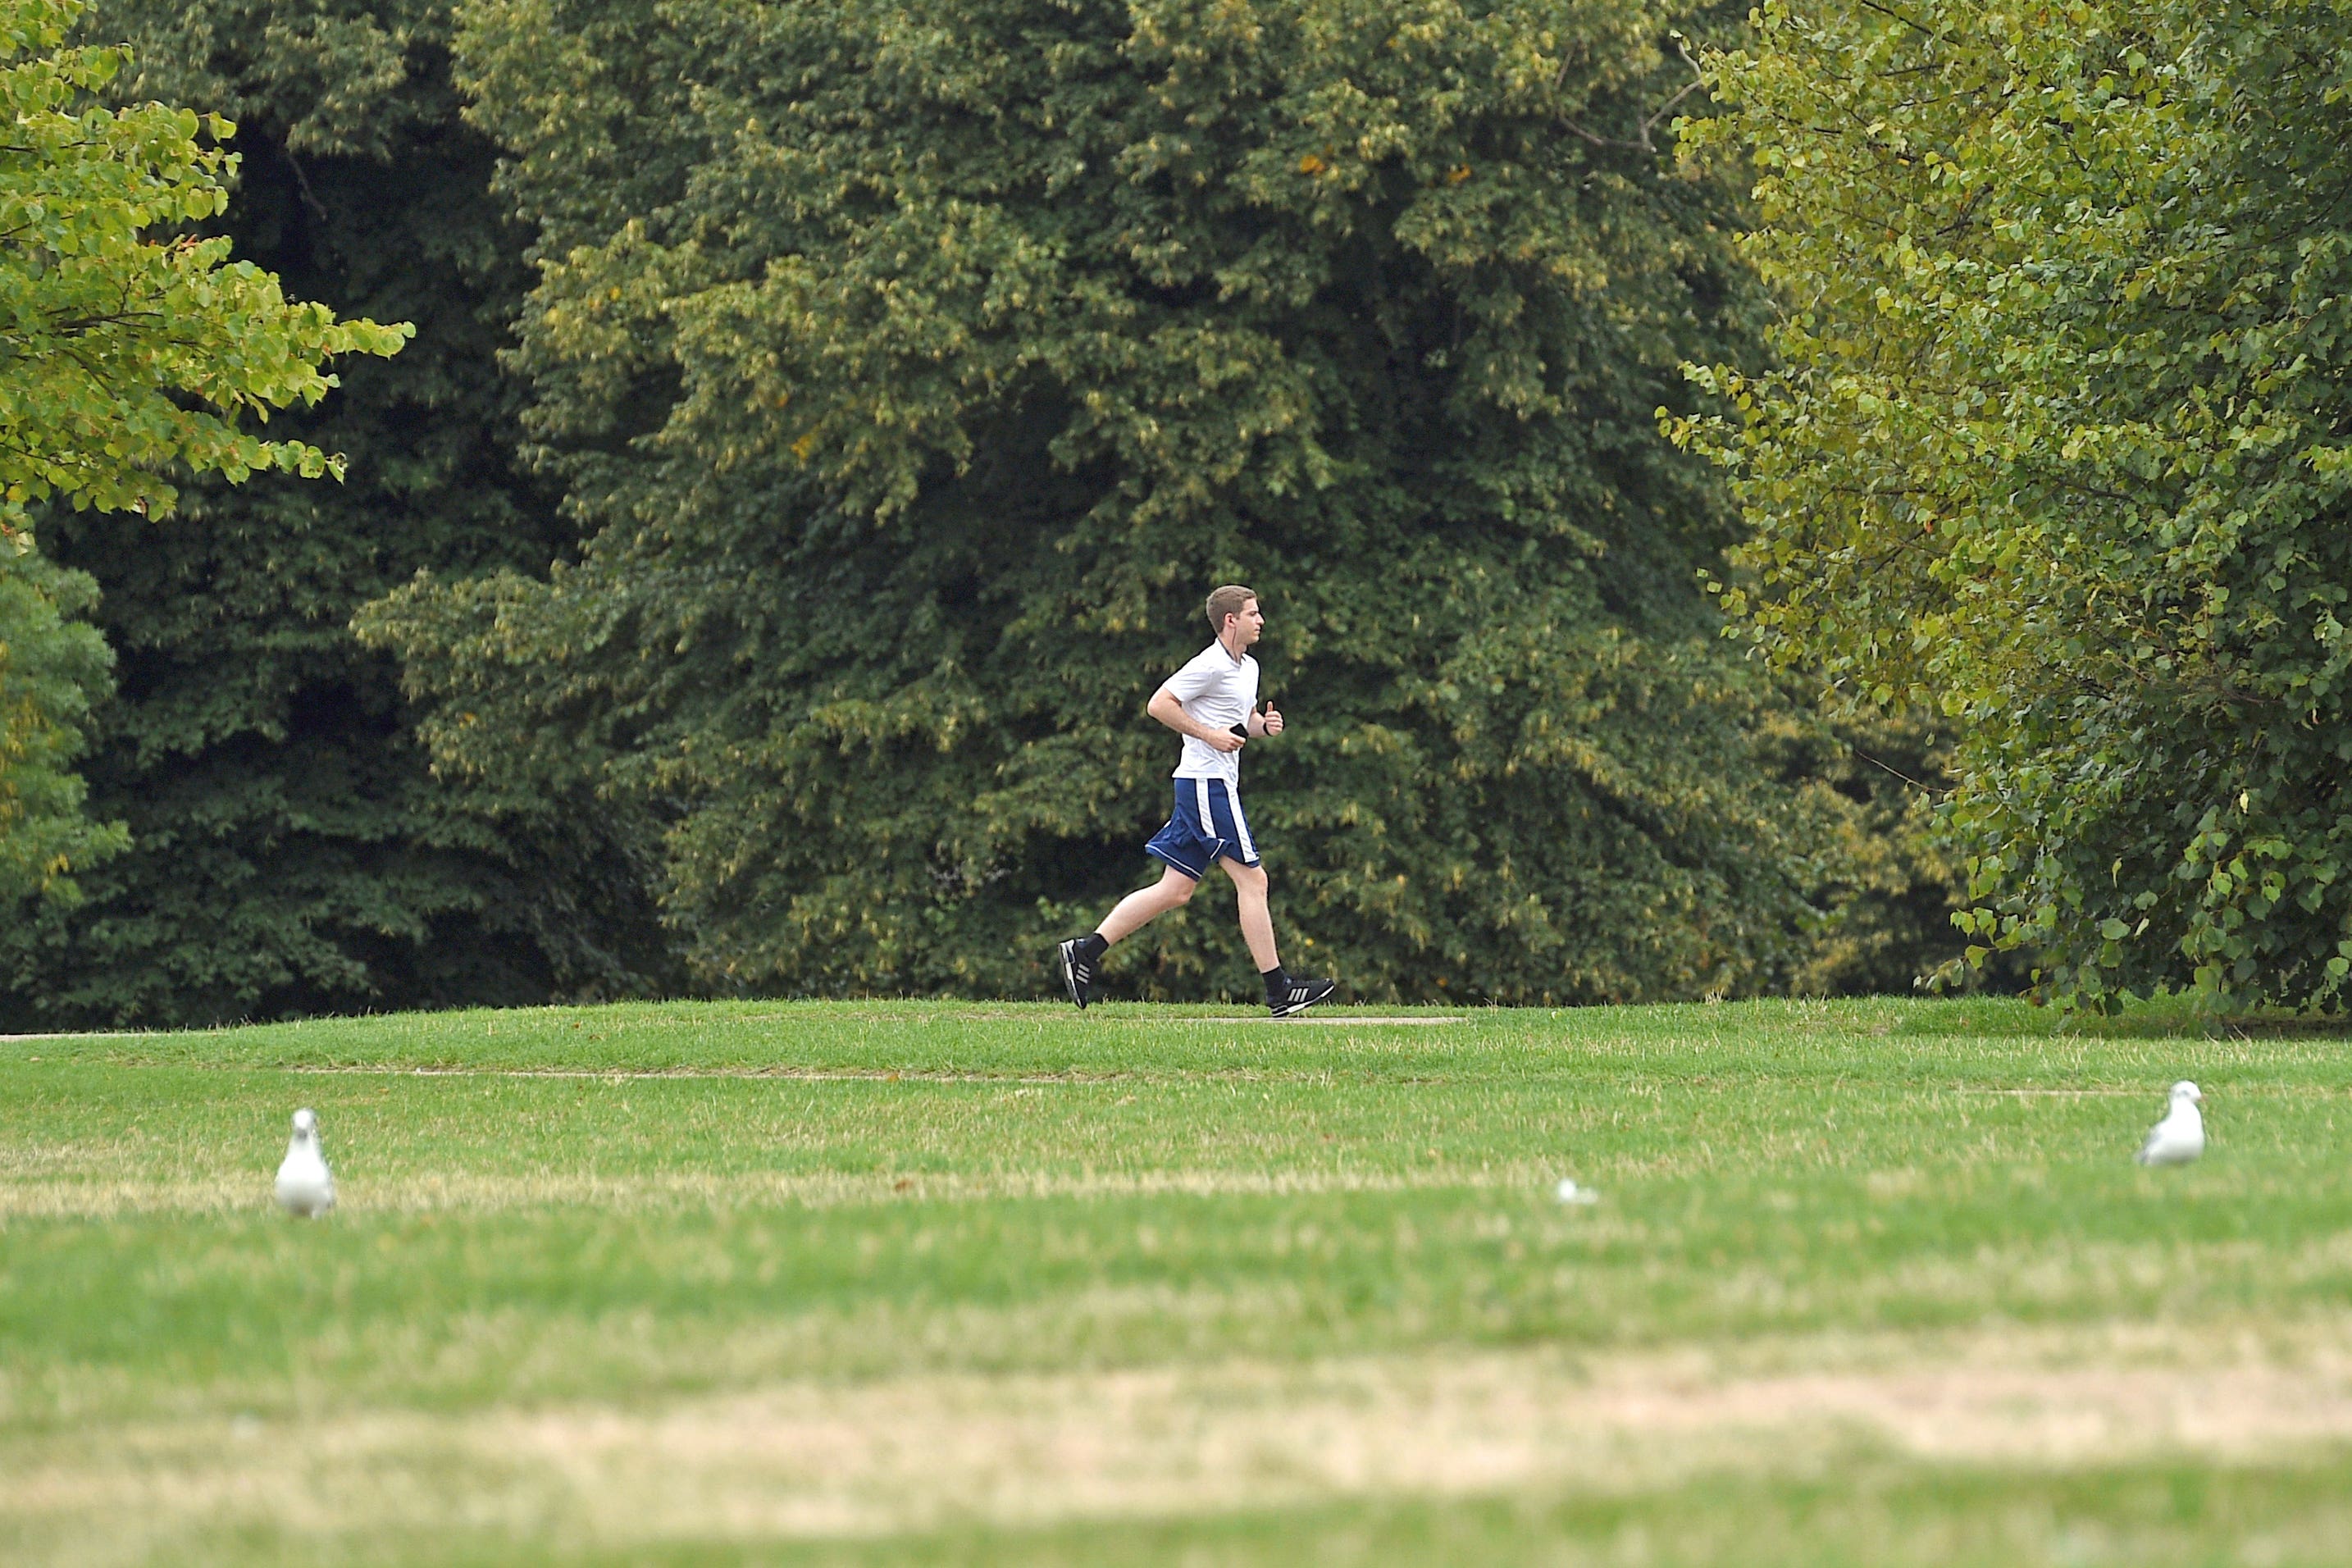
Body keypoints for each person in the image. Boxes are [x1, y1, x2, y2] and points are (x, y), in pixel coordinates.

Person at [1057, 585, 1338, 1017]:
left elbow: (1240, 722)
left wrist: (1264, 726)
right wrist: (1208, 736)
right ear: (1231, 620)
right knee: (1253, 881)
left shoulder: (1249, 668)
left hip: (1206, 784)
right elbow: (1158, 705)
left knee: (1175, 889)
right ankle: (1279, 991)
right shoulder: (1209, 665)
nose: (1260, 620)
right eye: (1253, 614)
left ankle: (1085, 951)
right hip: (1207, 784)